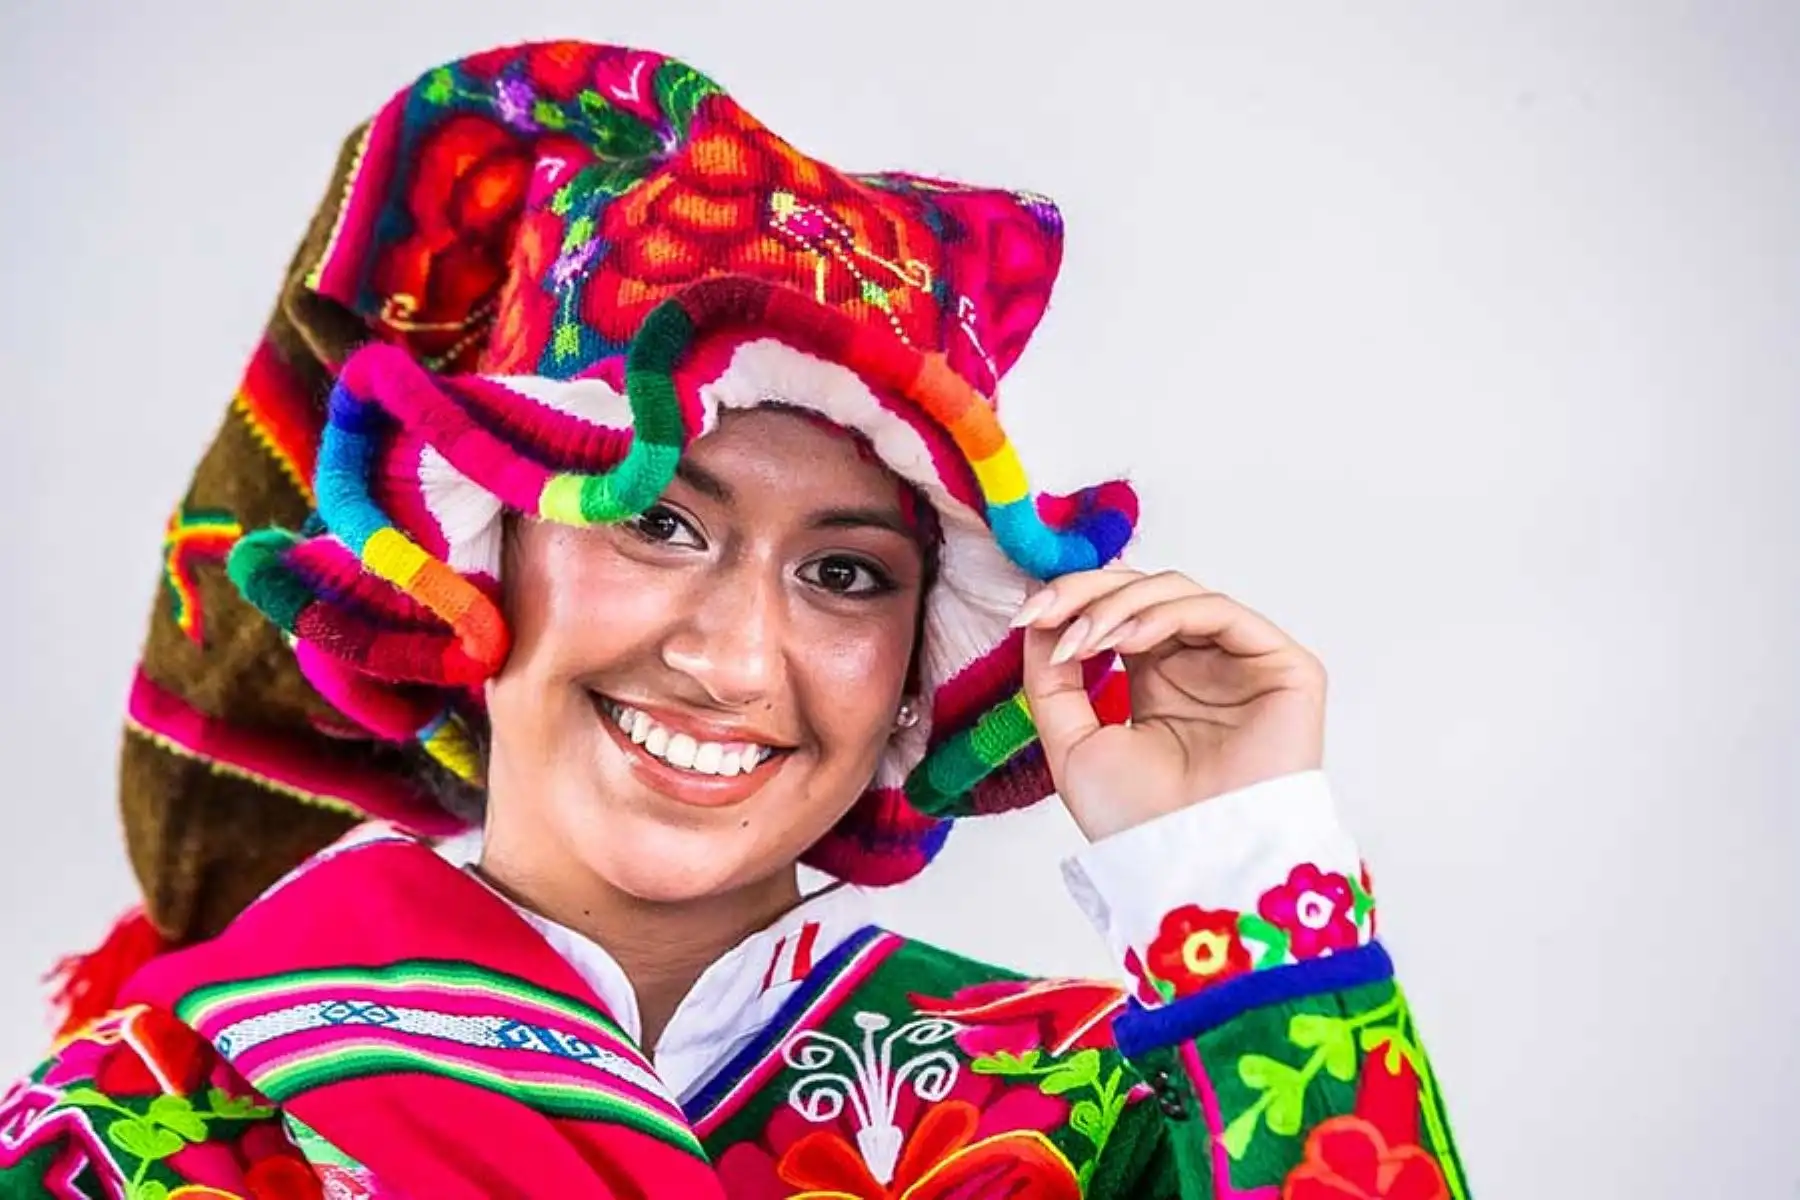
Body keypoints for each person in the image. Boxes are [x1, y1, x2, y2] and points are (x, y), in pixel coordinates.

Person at [0, 40, 1468, 1199]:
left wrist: (1233, 861)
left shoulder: (1097, 1119)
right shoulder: (145, 1129)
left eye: (845, 575)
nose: (733, 657)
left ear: (916, 678)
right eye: (656, 523)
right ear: (473, 567)